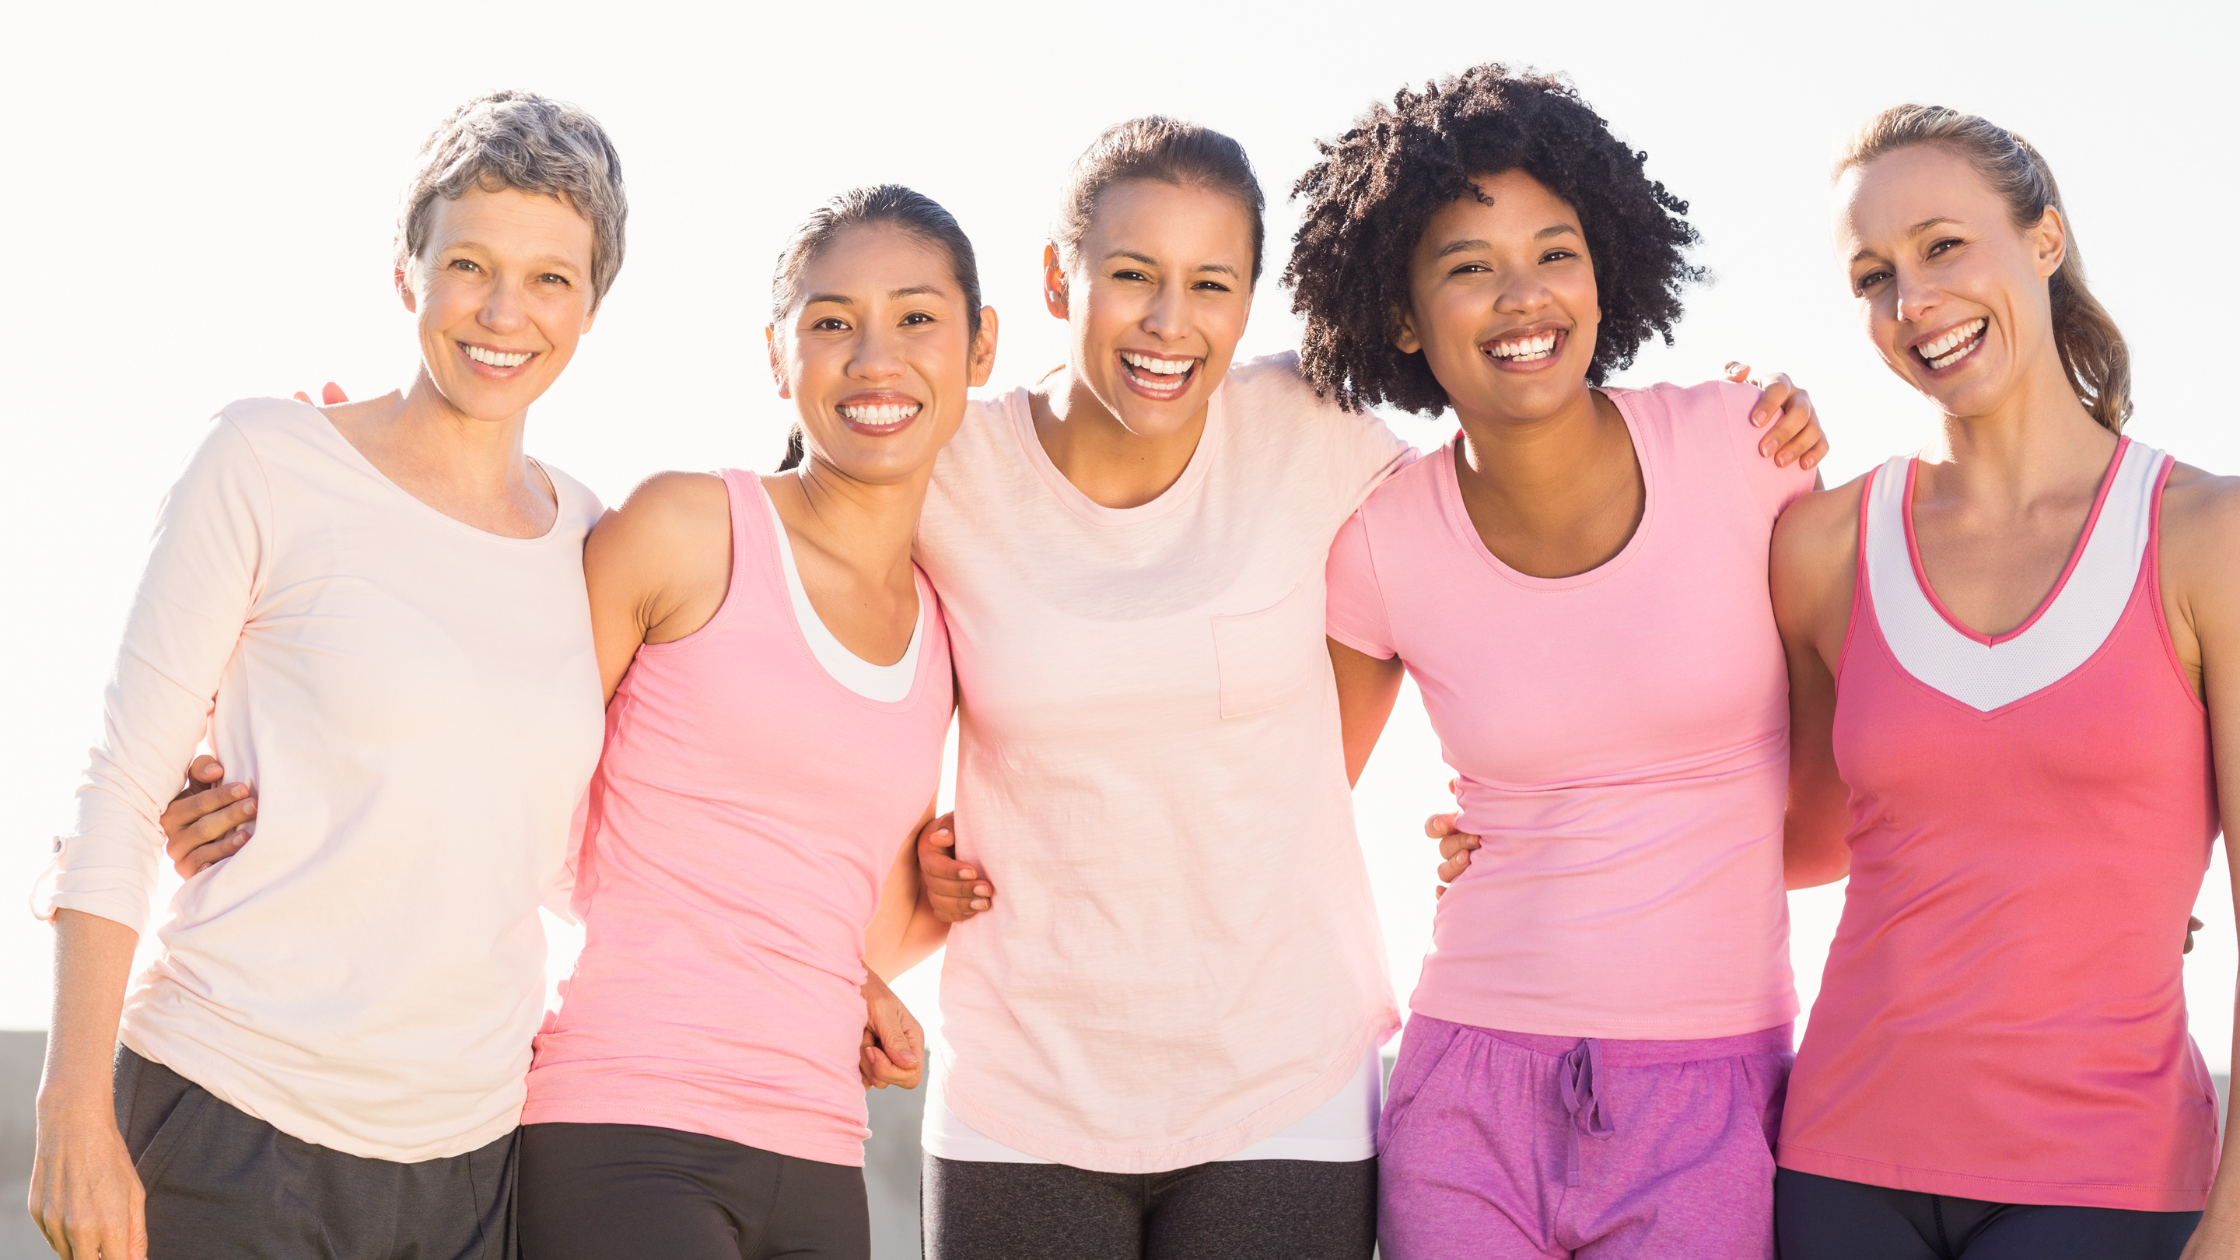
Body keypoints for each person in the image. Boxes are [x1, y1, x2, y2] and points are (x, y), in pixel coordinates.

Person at [908, 114, 1828, 1260]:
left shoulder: (1733, 450)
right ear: (1060, 277)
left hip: (1382, 1081)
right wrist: (905, 874)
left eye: (1210, 282)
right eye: (1131, 274)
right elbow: (1283, 778)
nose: (1167, 321)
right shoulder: (961, 470)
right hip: (1103, 1082)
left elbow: (1823, 800)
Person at [29, 91, 625, 1260]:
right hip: (230, 1120)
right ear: (407, 272)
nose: (504, 313)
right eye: (468, 264)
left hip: (473, 1160)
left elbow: (573, 854)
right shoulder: (266, 459)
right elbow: (119, 785)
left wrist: (841, 968)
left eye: (550, 278)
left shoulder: (595, 544)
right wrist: (71, 1110)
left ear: (592, 303)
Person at [1283, 65, 1848, 1260]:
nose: (1520, 296)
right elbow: (1283, 811)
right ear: (1398, 315)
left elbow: (1843, 797)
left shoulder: (1748, 455)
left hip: (1709, 1081)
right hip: (1465, 1081)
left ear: (1604, 274)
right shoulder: (1378, 542)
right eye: (1466, 265)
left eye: (1553, 252)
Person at [1768, 104, 2239, 1260]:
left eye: (1940, 246)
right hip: (1838, 1165)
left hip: (2108, 1180)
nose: (1908, 301)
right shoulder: (1821, 545)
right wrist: (1519, 828)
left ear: (2041, 240)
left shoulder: (2202, 535)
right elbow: (1795, 844)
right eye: (1870, 275)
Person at [505, 184, 990, 1260]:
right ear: (778, 357)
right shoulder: (685, 528)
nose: (874, 358)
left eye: (916, 318)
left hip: (819, 1148)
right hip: (626, 1121)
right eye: (829, 323)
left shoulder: (944, 632)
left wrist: (923, 913)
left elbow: (827, 913)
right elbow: (506, 789)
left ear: (979, 347)